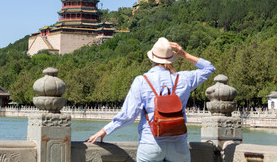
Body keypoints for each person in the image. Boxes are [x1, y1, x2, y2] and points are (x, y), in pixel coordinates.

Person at [87, 37, 215, 162]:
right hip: (179, 145)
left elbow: (128, 115)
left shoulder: (142, 81)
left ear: (152, 58)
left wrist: (105, 130)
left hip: (151, 143)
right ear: (172, 59)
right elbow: (209, 68)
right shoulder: (184, 78)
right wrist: (185, 55)